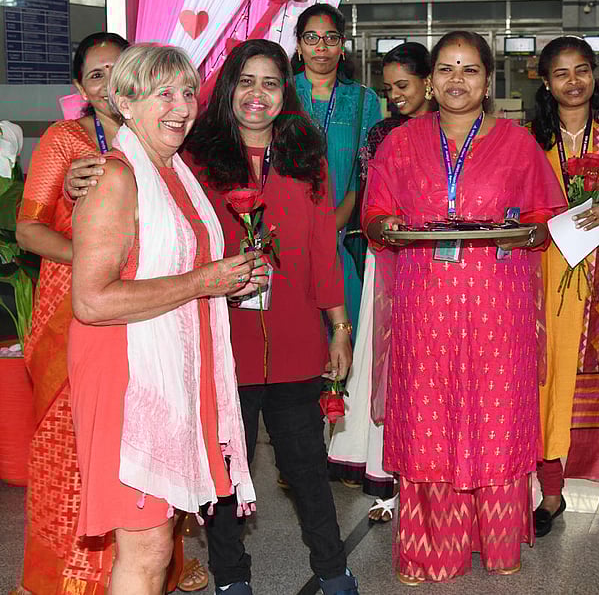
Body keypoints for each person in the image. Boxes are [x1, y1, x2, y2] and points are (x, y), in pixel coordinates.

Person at [363, 31, 566, 584]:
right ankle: (431, 550)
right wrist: (389, 227)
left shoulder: (519, 144)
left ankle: (498, 543)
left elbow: (548, 218)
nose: (457, 80)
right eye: (447, 69)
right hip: (423, 303)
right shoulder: (400, 143)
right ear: (430, 79)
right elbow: (374, 215)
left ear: (488, 81)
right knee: (428, 417)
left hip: (498, 306)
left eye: (470, 70)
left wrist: (525, 233)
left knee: (495, 417)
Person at [15, 32, 206, 595]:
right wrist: (111, 248)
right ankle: (66, 579)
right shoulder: (65, 142)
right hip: (75, 311)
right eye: (96, 75)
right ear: (83, 88)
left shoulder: (168, 155)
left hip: (145, 318)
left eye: (118, 70)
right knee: (71, 462)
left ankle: (152, 569)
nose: (109, 83)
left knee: (139, 482)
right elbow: (28, 230)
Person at [67, 43, 261, 595]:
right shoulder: (115, 177)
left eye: (185, 92)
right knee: (147, 547)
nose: (181, 106)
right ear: (124, 104)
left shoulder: (175, 171)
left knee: (161, 534)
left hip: (173, 370)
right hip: (128, 378)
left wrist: (230, 280)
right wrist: (206, 282)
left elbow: (183, 267)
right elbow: (92, 302)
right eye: (162, 94)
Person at [183, 39, 358, 595]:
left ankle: (334, 571)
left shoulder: (307, 160)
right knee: (226, 475)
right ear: (228, 87)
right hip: (221, 340)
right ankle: (231, 580)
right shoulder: (194, 160)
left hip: (296, 340)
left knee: (307, 469)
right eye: (247, 81)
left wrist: (339, 327)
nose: (259, 95)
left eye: (272, 83)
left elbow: (324, 250)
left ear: (288, 93)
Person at [529, 35, 599, 539]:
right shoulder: (530, 139)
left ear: (594, 75)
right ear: (546, 83)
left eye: (581, 71)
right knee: (550, 384)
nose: (572, 82)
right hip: (551, 280)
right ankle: (550, 494)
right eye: (561, 74)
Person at [327, 41, 435, 523]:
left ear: (429, 82)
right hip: (387, 255)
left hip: (440, 262)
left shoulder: (447, 131)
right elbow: (371, 198)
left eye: (403, 86)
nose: (394, 96)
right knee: (384, 358)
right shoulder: (381, 134)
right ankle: (385, 470)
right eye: (388, 87)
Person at [292, 3, 382, 331]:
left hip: (340, 234)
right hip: (288, 236)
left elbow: (367, 169)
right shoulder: (281, 93)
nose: (321, 47)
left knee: (347, 333)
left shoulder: (364, 100)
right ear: (299, 45)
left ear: (342, 45)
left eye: (330, 38)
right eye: (311, 37)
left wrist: (334, 222)